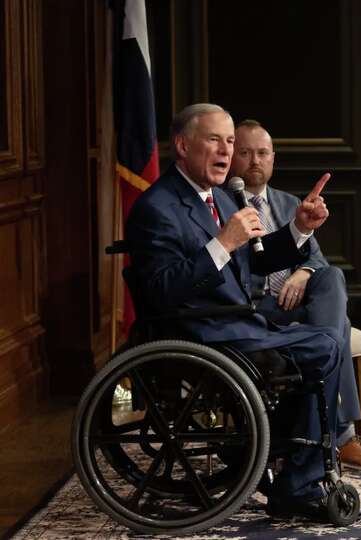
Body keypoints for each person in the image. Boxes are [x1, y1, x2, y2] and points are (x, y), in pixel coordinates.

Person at [126, 103, 340, 518]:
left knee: (323, 343)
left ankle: (280, 453)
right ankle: (296, 480)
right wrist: (223, 242)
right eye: (214, 140)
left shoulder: (220, 199)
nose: (226, 150)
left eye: (229, 141)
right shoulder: (157, 207)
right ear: (183, 146)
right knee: (325, 347)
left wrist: (300, 229)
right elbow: (161, 291)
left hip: (236, 321)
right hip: (197, 331)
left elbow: (255, 262)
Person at [229, 119, 361, 471]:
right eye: (245, 153)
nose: (255, 161)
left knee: (331, 276)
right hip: (257, 308)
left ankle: (329, 434)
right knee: (338, 325)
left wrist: (303, 272)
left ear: (273, 158)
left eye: (262, 153)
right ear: (233, 157)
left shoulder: (288, 202)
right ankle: (340, 437)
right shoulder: (223, 203)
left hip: (299, 306)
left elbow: (318, 258)